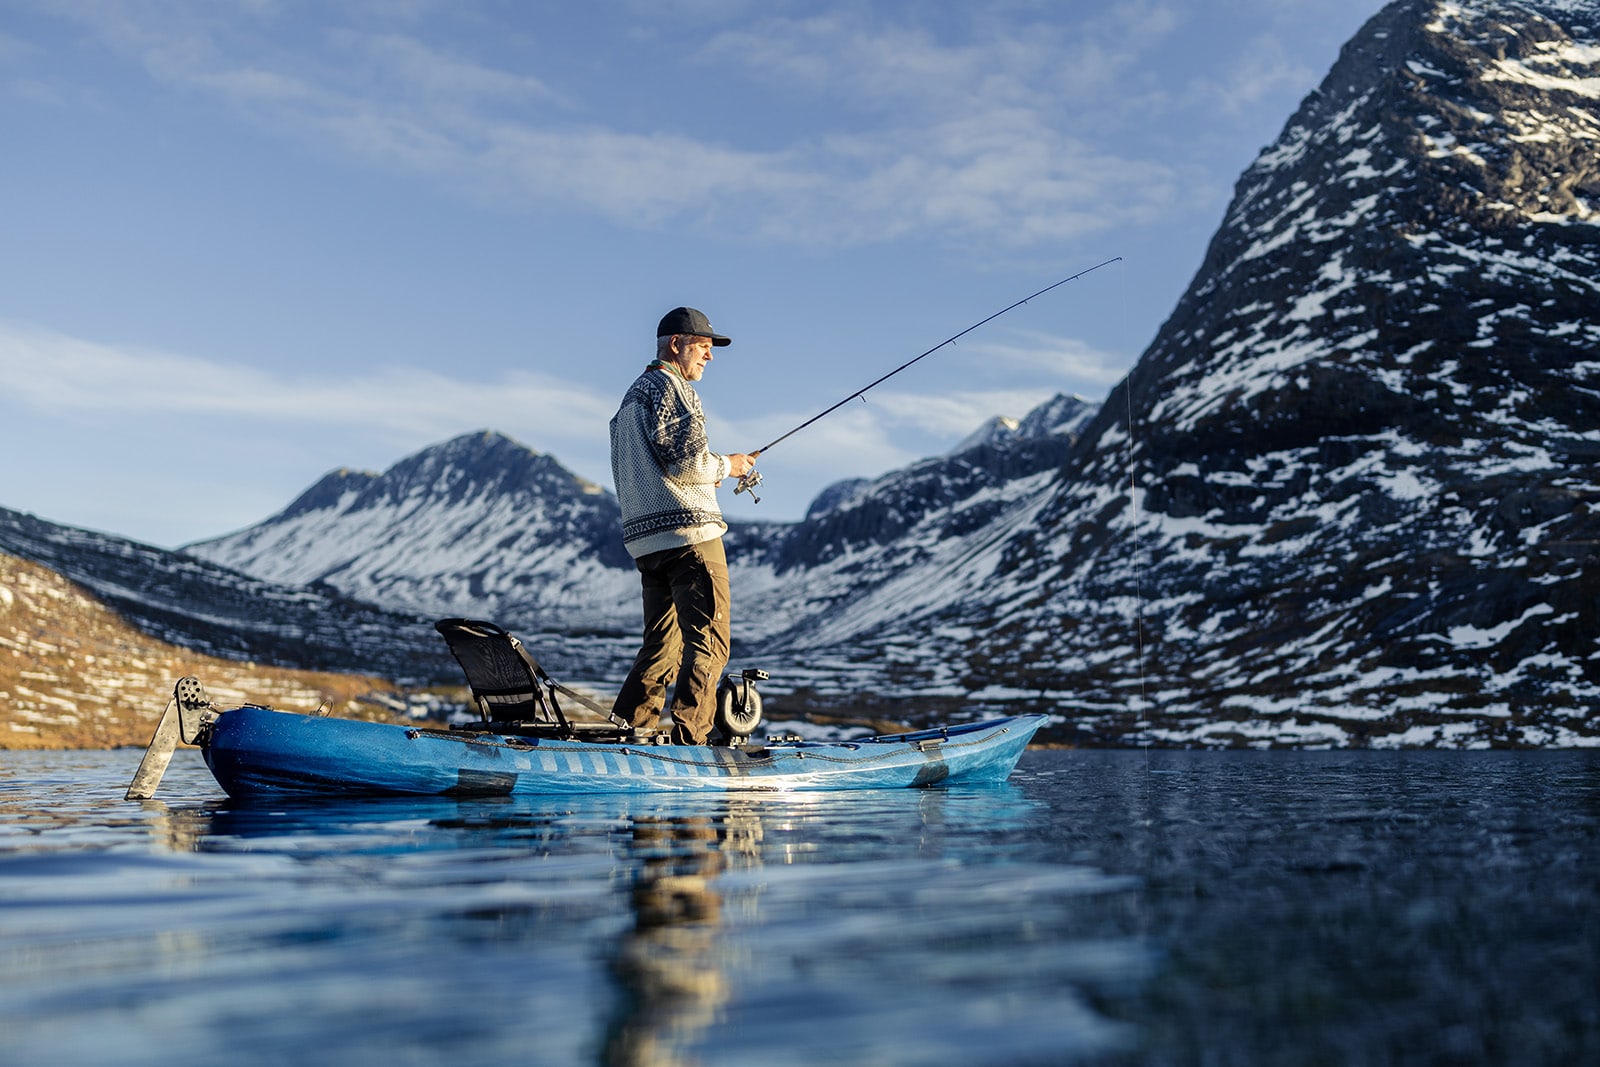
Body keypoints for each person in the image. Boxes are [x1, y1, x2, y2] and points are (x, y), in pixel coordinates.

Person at [609, 307, 756, 744]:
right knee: (709, 642)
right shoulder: (673, 389)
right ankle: (691, 740)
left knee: (661, 649)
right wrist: (728, 465)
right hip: (690, 536)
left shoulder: (631, 397)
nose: (709, 357)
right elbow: (687, 461)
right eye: (703, 347)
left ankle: (630, 734)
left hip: (648, 543)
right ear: (676, 345)